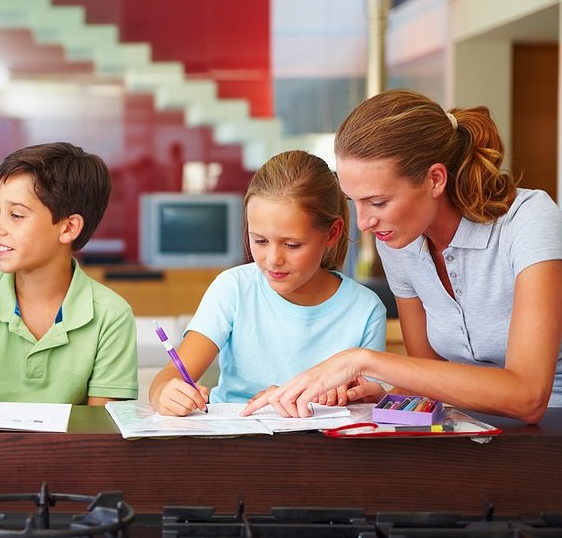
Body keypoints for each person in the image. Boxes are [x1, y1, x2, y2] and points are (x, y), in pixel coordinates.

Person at [243, 89, 562, 423]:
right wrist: (384, 394)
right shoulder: (400, 242)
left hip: (549, 431)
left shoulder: (528, 221)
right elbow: (431, 377)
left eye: (378, 202)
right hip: (468, 427)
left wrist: (362, 360)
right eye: (355, 202)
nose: (364, 223)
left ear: (435, 180)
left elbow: (528, 397)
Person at [150, 150, 386, 416]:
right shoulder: (233, 288)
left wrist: (352, 397)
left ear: (331, 233)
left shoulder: (366, 309)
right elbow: (170, 376)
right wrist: (164, 393)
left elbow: (367, 402)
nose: (273, 259)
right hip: (235, 443)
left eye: (292, 245)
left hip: (324, 450)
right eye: (260, 241)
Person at [0, 142, 138, 406]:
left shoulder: (111, 316)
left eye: (16, 215)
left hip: (71, 448)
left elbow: (102, 430)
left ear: (69, 228)